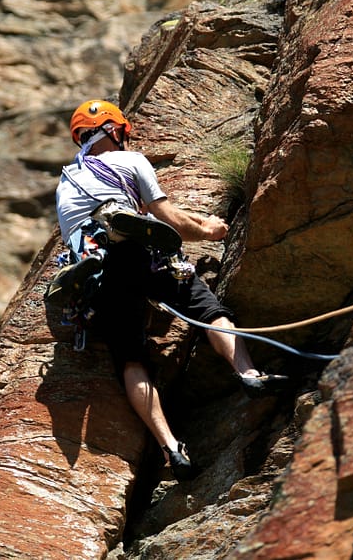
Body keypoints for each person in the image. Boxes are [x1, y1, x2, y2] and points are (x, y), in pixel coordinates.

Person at [48, 99, 288, 480]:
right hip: (142, 256)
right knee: (207, 309)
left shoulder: (66, 183)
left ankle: (171, 447)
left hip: (98, 274)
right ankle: (248, 373)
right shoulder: (130, 162)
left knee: (131, 359)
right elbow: (170, 219)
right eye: (122, 132)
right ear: (114, 129)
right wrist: (208, 230)